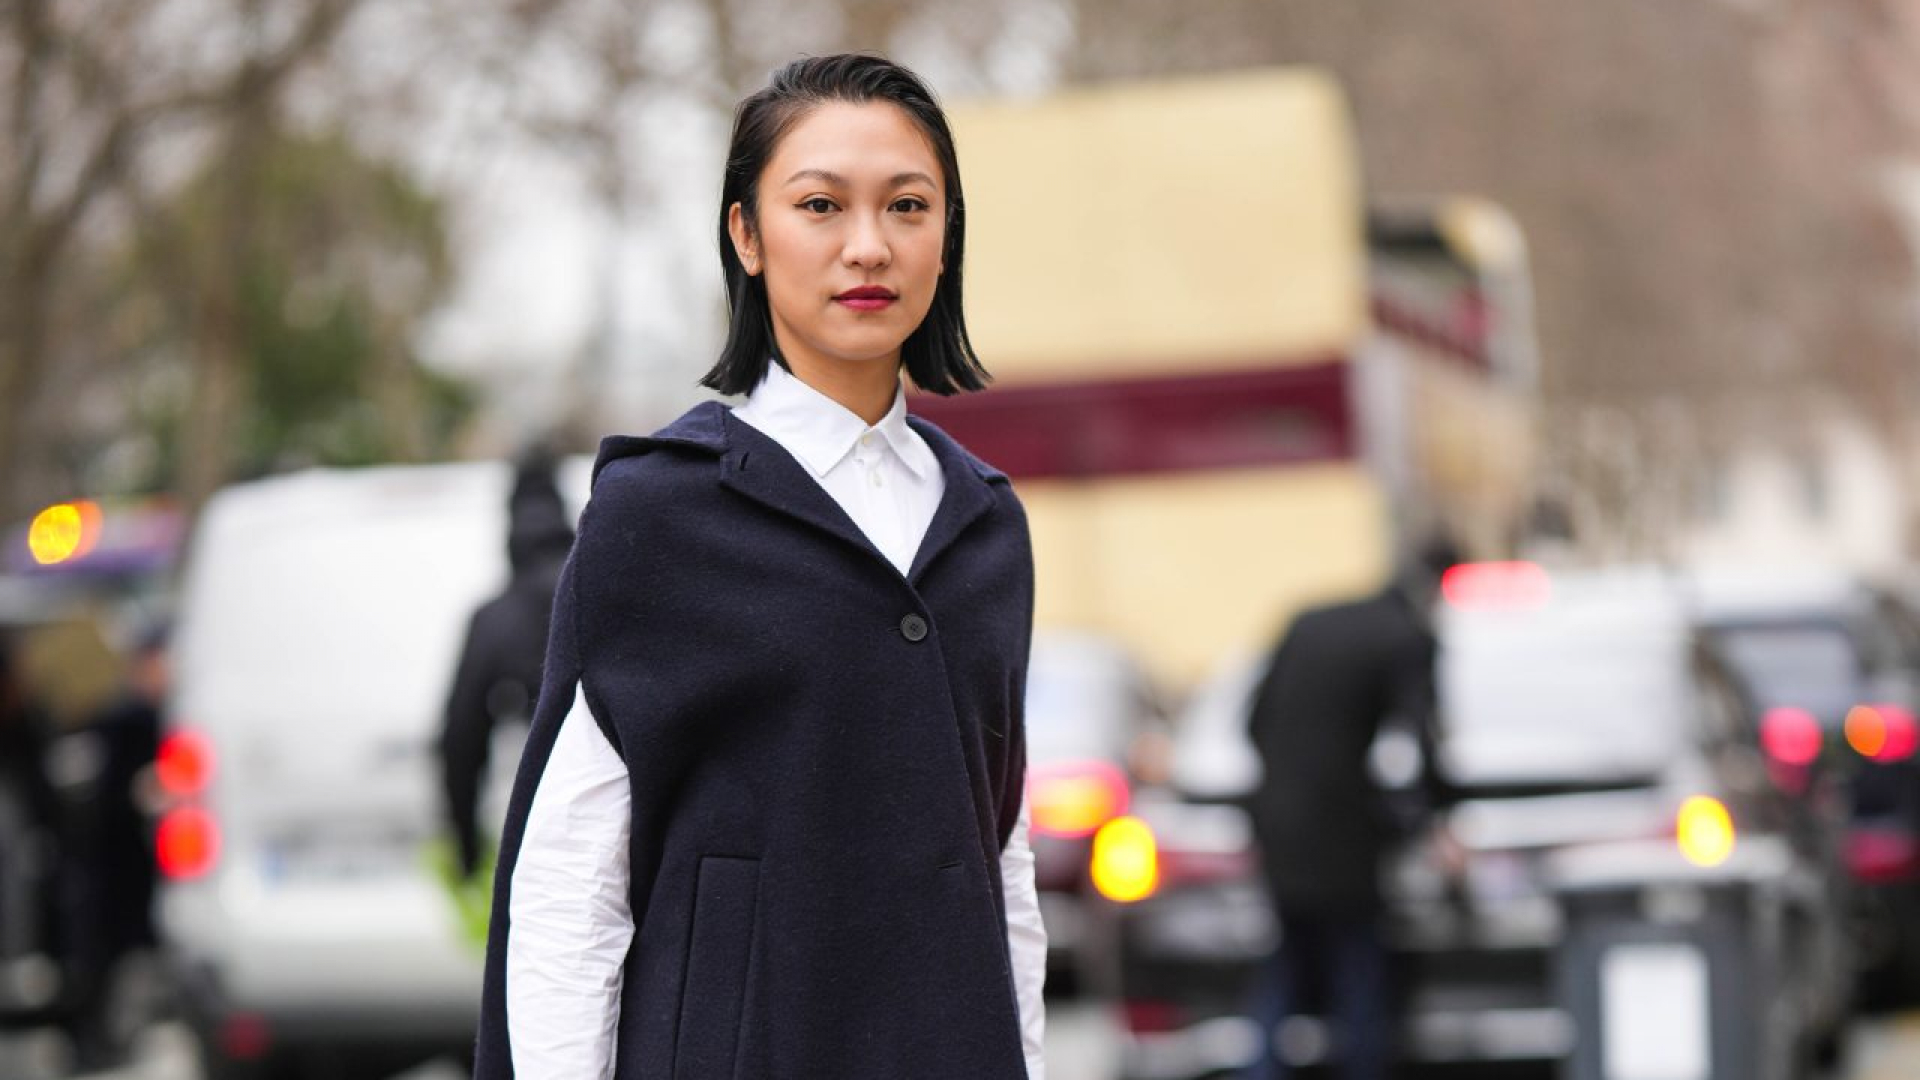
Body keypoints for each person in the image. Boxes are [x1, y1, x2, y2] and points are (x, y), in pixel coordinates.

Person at [473, 55, 1045, 1080]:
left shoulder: (987, 528)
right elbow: (572, 879)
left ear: (947, 231)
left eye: (908, 206)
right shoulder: (660, 512)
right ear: (746, 234)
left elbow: (1001, 858)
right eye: (820, 204)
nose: (867, 246)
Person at [1242, 540, 1457, 1080]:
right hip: (1344, 839)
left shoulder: (1310, 621)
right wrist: (1432, 821)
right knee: (1359, 974)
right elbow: (1420, 747)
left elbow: (1252, 721)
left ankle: (1263, 1069)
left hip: (1278, 827)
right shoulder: (1406, 637)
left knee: (1288, 970)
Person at [440, 447, 576, 880]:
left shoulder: (495, 618)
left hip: (546, 826)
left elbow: (460, 739)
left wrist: (467, 848)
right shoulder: (608, 596)